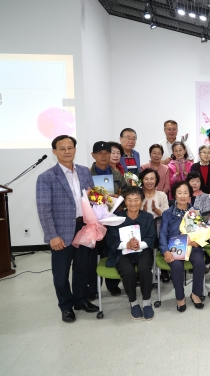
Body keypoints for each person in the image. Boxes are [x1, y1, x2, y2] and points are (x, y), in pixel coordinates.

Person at [36, 135, 98, 322]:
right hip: (61, 231)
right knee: (61, 273)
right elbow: (44, 209)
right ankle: (66, 306)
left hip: (84, 227)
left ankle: (80, 300)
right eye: (62, 148)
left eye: (70, 147)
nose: (67, 151)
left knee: (82, 268)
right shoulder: (46, 177)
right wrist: (52, 235)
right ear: (54, 151)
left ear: (75, 149)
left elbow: (92, 197)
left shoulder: (84, 172)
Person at [105, 186, 156, 320]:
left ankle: (146, 301)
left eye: (136, 199)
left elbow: (151, 237)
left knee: (145, 268)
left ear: (142, 201)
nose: (133, 203)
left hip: (143, 249)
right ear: (125, 202)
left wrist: (139, 245)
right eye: (129, 200)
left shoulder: (148, 217)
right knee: (127, 271)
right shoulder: (116, 218)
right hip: (122, 251)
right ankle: (133, 301)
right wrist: (126, 245)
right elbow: (111, 240)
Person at [159, 181, 207, 311]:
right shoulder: (167, 214)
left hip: (193, 246)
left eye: (185, 193)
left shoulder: (194, 212)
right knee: (176, 266)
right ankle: (180, 297)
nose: (182, 196)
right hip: (175, 247)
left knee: (199, 263)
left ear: (190, 195)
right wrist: (165, 251)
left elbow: (202, 231)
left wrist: (197, 242)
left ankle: (195, 294)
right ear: (174, 195)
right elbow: (163, 234)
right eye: (179, 193)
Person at [88, 141, 125, 298]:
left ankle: (112, 284)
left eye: (106, 153)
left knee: (112, 250)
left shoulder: (116, 174)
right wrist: (94, 198)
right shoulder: (86, 174)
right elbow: (81, 196)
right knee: (91, 255)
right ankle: (92, 288)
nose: (103, 156)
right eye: (99, 153)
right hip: (92, 221)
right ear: (93, 155)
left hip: (112, 220)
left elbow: (127, 193)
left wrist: (119, 198)